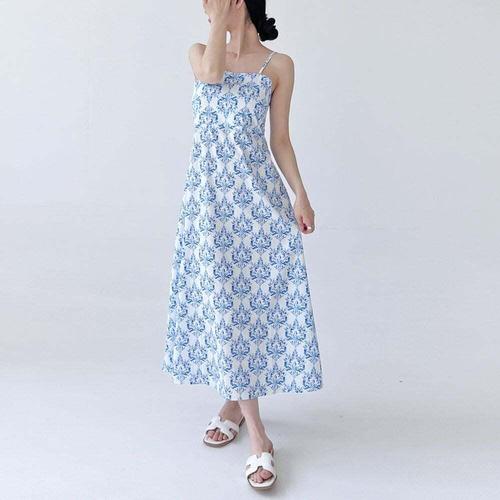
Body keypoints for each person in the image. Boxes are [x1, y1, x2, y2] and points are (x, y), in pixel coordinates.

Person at [162, 0, 323, 489]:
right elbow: (212, 76)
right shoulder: (199, 53)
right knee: (227, 310)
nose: (204, 7)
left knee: (248, 310)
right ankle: (260, 438)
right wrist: (218, 25)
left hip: (259, 205)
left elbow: (280, 139)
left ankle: (234, 404)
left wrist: (300, 192)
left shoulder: (279, 65)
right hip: (209, 207)